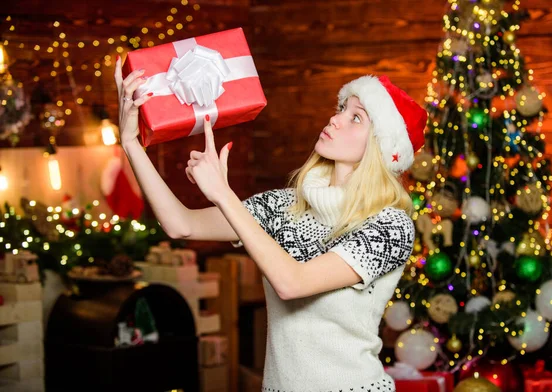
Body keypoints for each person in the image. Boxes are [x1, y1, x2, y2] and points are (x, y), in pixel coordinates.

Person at [115, 57, 427, 391]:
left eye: (355, 118)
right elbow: (181, 225)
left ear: (381, 146)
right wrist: (132, 143)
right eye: (341, 108)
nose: (335, 119)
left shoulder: (390, 226)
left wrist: (224, 195)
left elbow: (292, 282)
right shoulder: (282, 205)